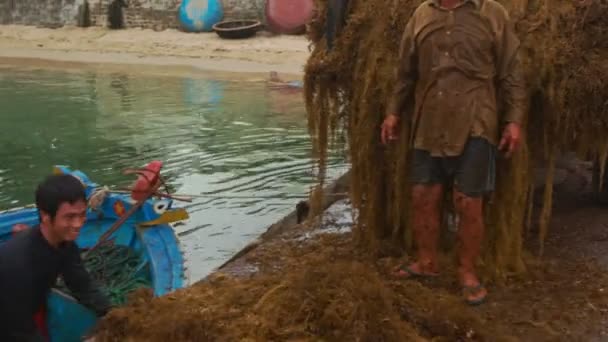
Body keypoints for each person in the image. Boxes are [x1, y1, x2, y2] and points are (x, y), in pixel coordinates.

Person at [381, 0, 526, 305]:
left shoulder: (493, 14)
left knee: (468, 202)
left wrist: (513, 120)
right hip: (428, 121)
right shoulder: (421, 15)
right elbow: (405, 73)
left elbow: (511, 74)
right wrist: (393, 112)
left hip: (475, 120)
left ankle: (467, 272)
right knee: (423, 196)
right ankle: (426, 262)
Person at [0, 174, 112, 341]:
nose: (78, 224)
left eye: (82, 215)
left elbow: (82, 286)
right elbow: (18, 330)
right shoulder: (19, 264)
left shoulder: (65, 245)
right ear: (45, 215)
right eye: (69, 217)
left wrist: (115, 315)